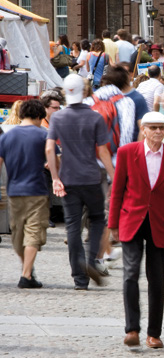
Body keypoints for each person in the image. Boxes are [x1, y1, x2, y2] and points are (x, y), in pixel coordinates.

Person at [109, 111, 164, 350]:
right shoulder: (127, 153)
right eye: (152, 128)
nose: (157, 132)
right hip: (132, 220)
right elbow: (117, 191)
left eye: (161, 128)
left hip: (161, 223)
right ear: (143, 129)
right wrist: (112, 223)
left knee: (158, 279)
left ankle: (154, 333)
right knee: (130, 274)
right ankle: (132, 328)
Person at [46, 74, 115, 290]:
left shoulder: (57, 118)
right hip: (91, 177)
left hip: (68, 177)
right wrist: (114, 175)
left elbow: (50, 148)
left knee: (72, 227)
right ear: (84, 92)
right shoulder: (95, 118)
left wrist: (55, 178)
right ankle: (92, 258)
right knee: (97, 219)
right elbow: (103, 151)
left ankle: (79, 278)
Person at [0, 100, 50, 288]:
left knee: (18, 235)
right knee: (33, 232)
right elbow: (55, 158)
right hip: (37, 190)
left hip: (14, 191)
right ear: (39, 116)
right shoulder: (43, 135)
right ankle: (26, 274)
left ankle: (27, 272)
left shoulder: (6, 137)